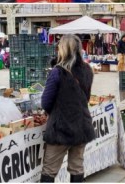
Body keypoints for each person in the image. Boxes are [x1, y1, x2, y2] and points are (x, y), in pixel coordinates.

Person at [40, 34, 95, 183]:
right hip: (81, 125)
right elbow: (86, 98)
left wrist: (56, 112)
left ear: (63, 50)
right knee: (77, 167)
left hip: (61, 129)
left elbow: (45, 102)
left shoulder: (57, 72)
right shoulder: (88, 70)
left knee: (49, 170)